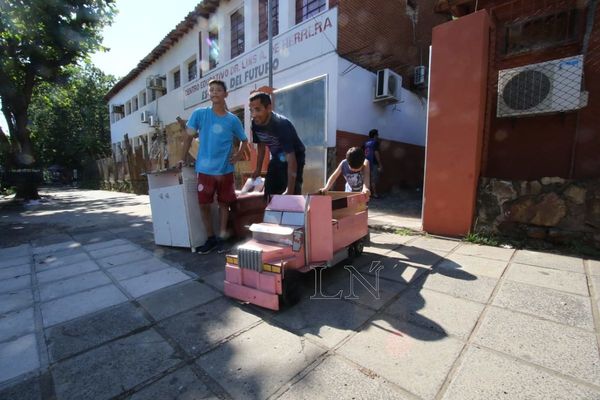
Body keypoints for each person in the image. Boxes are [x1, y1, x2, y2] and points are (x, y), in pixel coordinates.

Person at [180, 79, 249, 254]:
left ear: (226, 94)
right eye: (211, 90)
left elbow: (244, 140)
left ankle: (221, 238)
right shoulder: (199, 114)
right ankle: (210, 239)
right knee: (203, 204)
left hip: (225, 170)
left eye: (218, 90)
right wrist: (181, 158)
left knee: (224, 204)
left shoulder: (232, 120)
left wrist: (239, 155)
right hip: (204, 170)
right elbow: (188, 137)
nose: (214, 92)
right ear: (209, 94)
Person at [249, 92, 305, 196]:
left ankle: (293, 201)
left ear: (269, 108)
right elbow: (261, 145)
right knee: (270, 189)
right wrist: (258, 168)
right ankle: (271, 209)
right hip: (277, 156)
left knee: (292, 191)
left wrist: (290, 190)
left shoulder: (281, 125)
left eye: (257, 109)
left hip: (295, 156)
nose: (254, 114)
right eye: (251, 110)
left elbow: (291, 158)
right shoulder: (255, 123)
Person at [364, 128, 382, 198]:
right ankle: (374, 194)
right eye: (377, 135)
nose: (378, 136)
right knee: (374, 179)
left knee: (367, 179)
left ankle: (367, 194)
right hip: (373, 163)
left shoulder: (365, 143)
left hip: (366, 163)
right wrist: (380, 164)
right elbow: (376, 153)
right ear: (375, 135)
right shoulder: (375, 143)